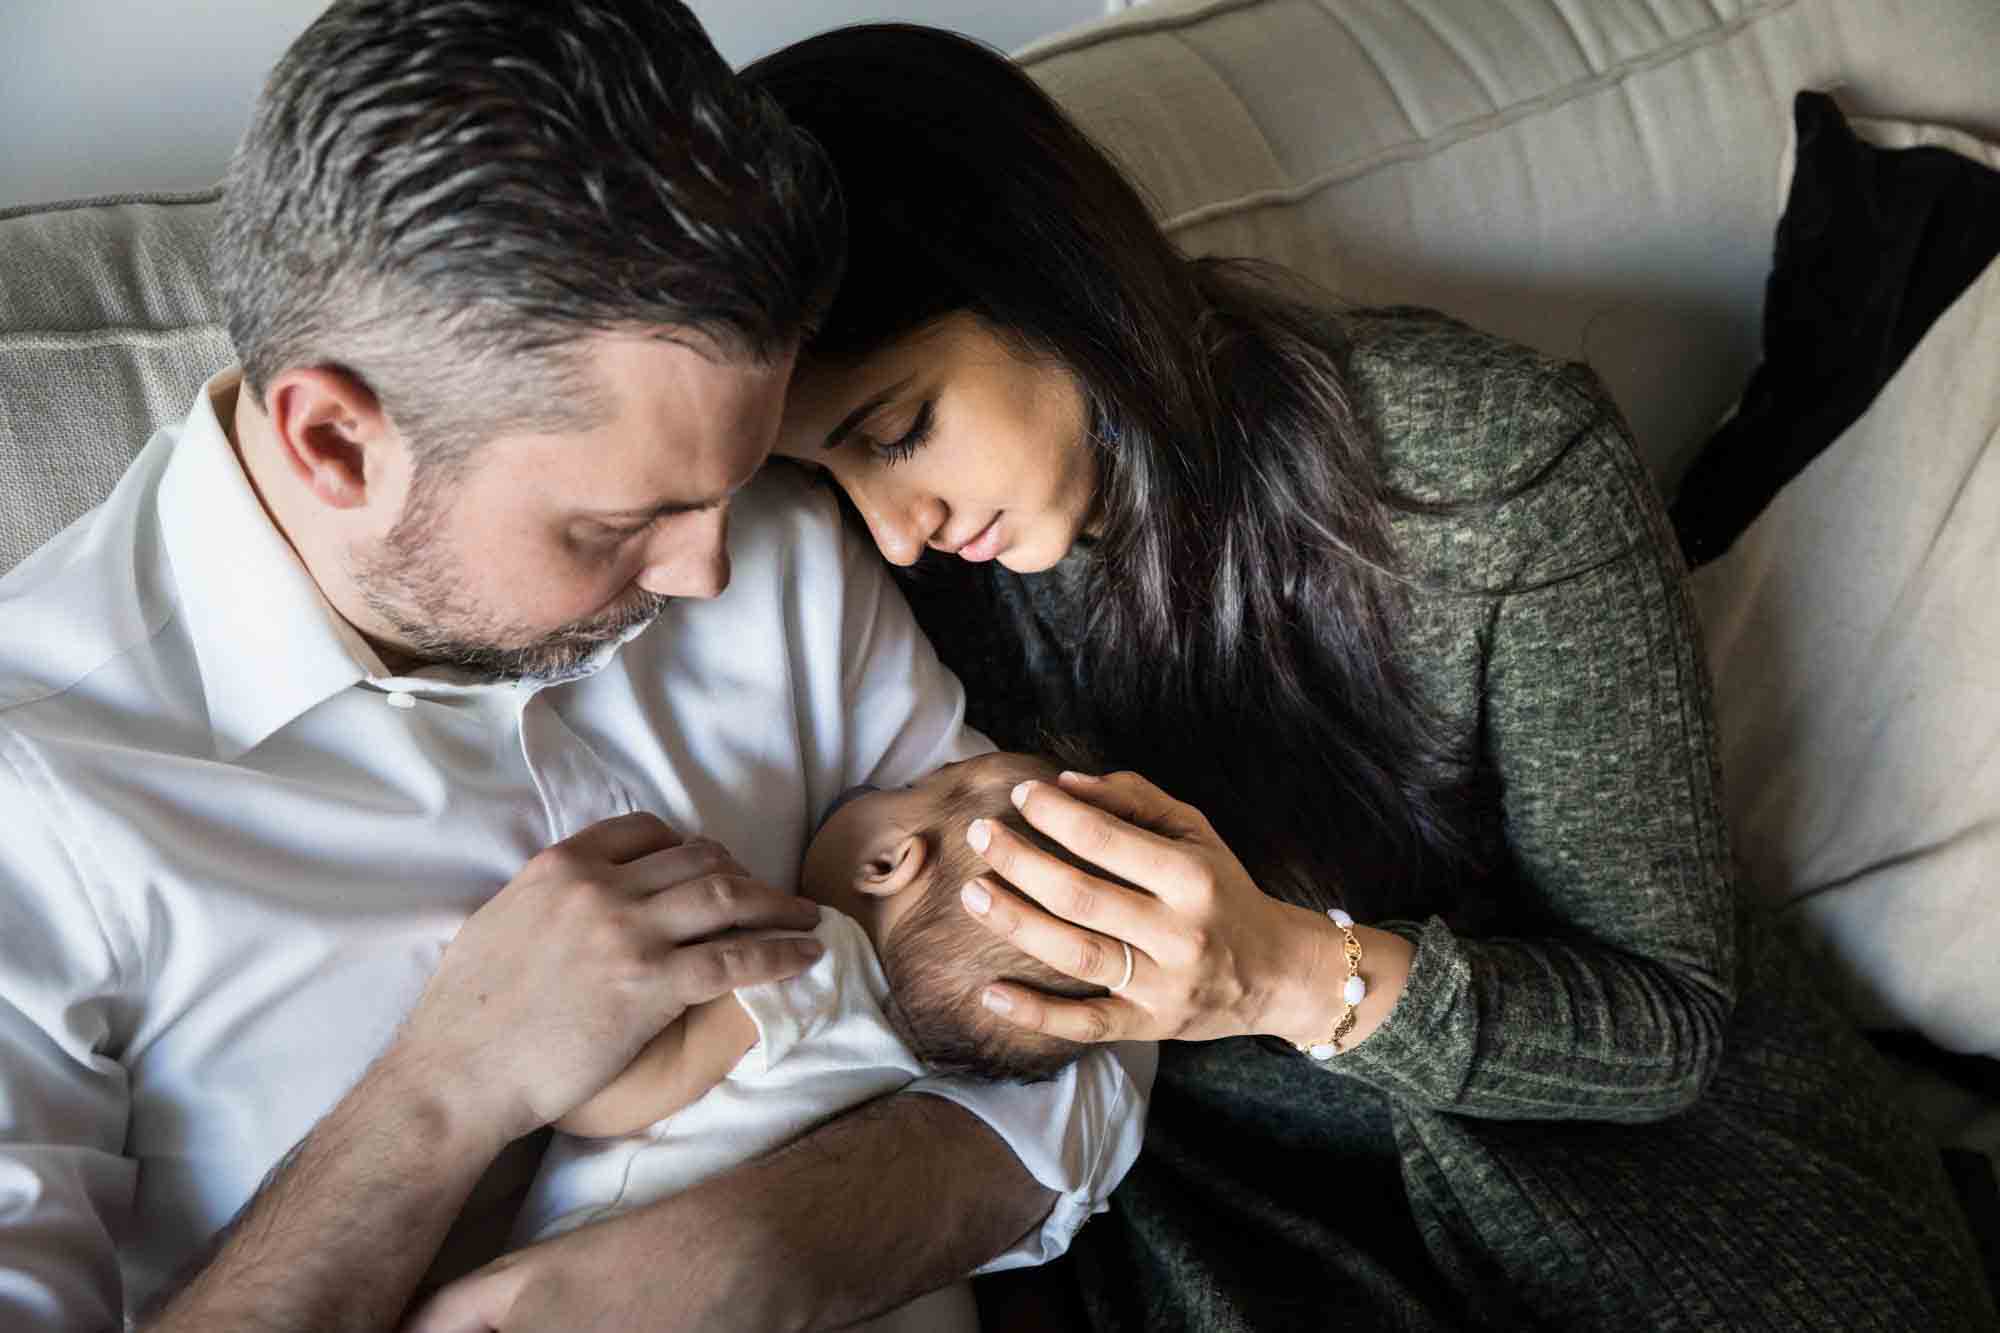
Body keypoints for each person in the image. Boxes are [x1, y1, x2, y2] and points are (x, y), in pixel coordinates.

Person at [743, 24, 1999, 1332]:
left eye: (895, 432)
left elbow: (1666, 1026)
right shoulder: (941, 579)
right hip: (1256, 1202)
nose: (891, 529)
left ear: (1041, 269)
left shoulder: (1483, 480)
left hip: (1672, 1201)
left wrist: (1278, 975)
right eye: (830, 476)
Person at [0, 6, 1149, 1332]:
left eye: (735, 480)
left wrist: (767, 1249)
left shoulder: (763, 536)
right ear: (335, 444)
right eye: (617, 524)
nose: (713, 573)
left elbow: (1091, 1014)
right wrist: (438, 1095)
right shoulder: (39, 803)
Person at [411, 752, 1105, 1333]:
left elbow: (602, 1102)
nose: (875, 786)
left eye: (903, 790)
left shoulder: (804, 963)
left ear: (889, 862)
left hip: (604, 1264)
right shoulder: (921, 1063)